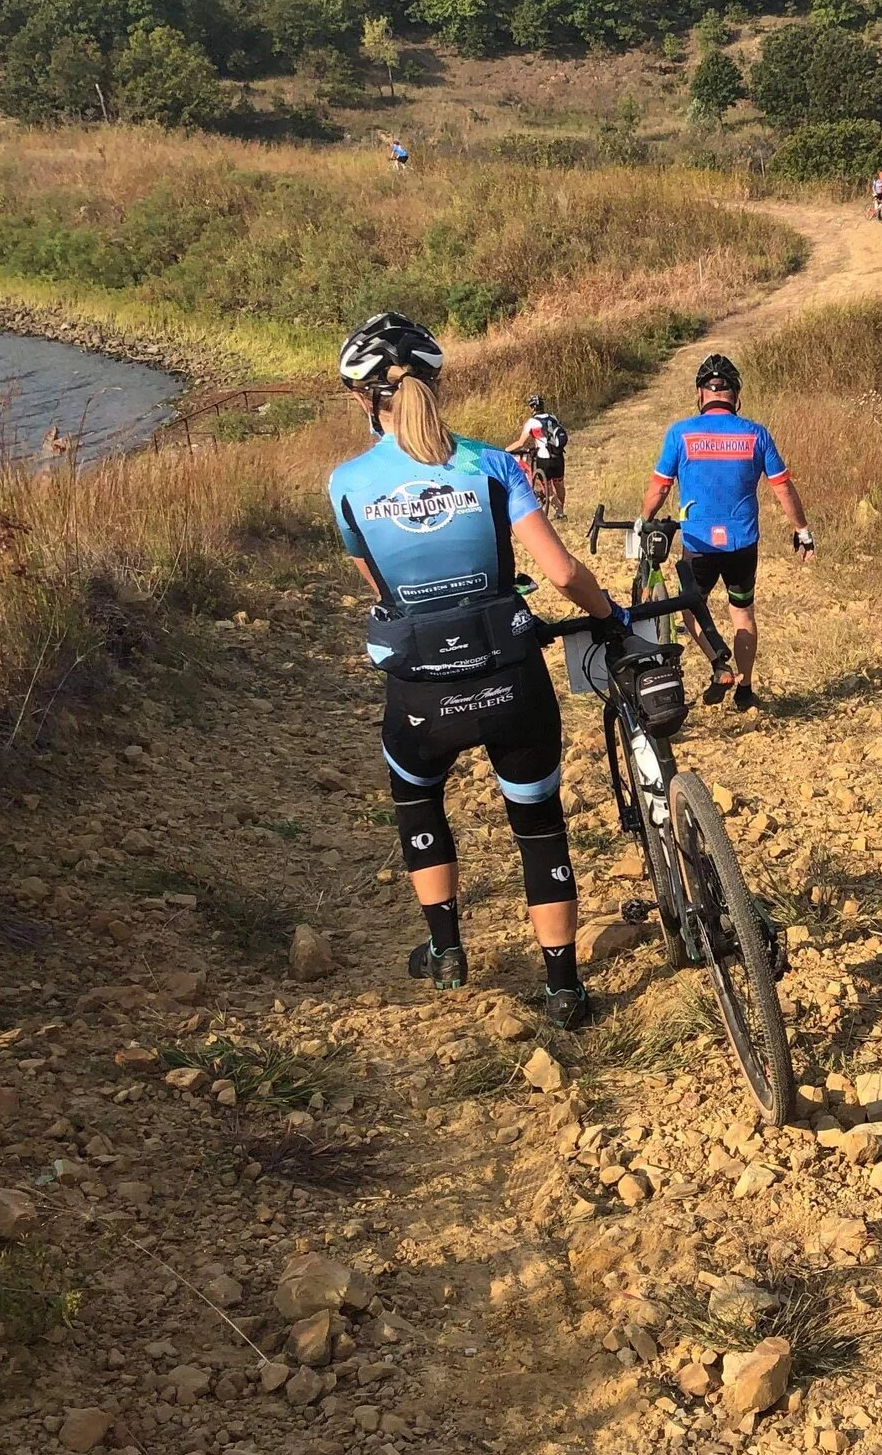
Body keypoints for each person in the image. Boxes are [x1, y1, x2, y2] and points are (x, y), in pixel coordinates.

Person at [326, 312, 619, 1029]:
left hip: (422, 689)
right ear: (435, 383)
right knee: (539, 824)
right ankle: (562, 989)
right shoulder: (493, 464)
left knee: (418, 798)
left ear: (368, 399)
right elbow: (559, 572)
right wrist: (608, 614)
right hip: (511, 677)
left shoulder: (346, 482)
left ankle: (447, 949)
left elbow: (382, 591)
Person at [643, 353, 812, 711]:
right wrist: (802, 529)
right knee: (743, 612)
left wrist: (645, 519)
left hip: (699, 544)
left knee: (691, 609)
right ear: (735, 396)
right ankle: (746, 688)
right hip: (742, 543)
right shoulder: (755, 434)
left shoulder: (680, 433)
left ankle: (719, 663)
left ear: (700, 395)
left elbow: (659, 488)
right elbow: (783, 487)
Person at [512, 395, 569, 516]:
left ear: (532, 408)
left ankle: (560, 512)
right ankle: (561, 511)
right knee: (559, 485)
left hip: (544, 458)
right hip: (558, 456)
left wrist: (505, 450)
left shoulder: (531, 422)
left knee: (547, 488)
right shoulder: (552, 417)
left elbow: (520, 442)